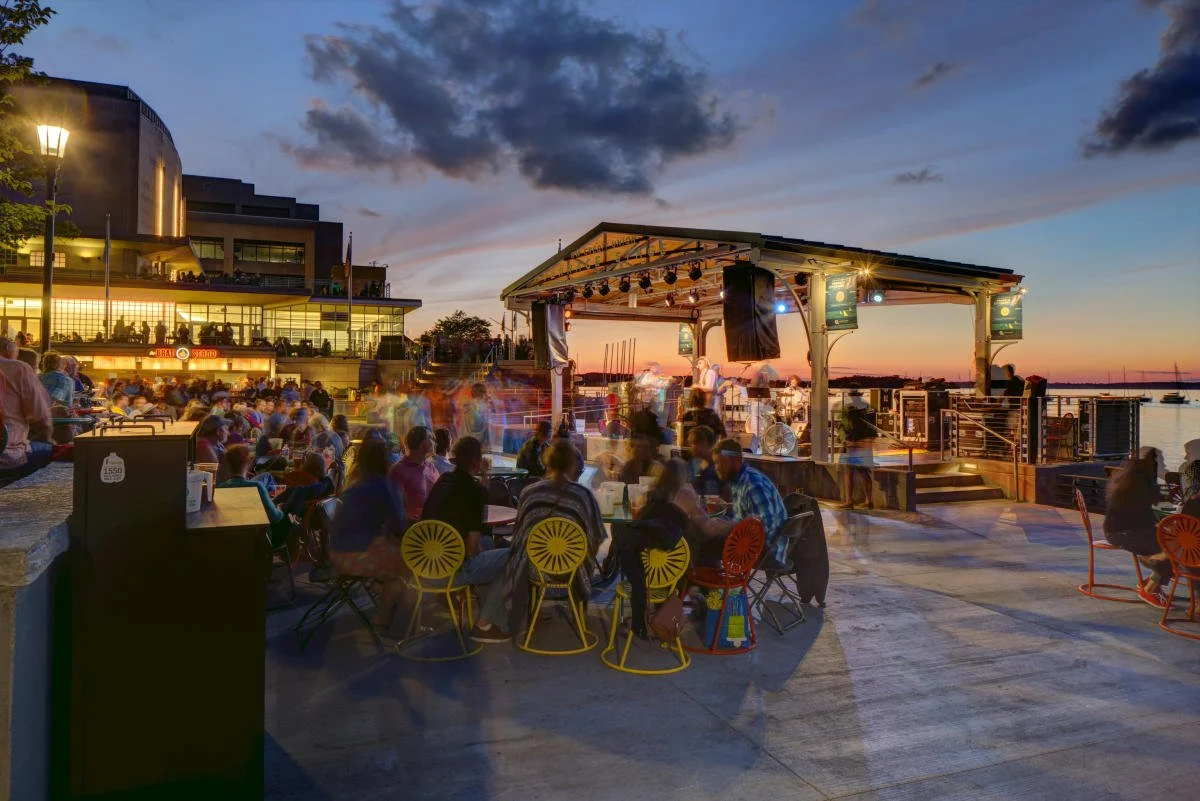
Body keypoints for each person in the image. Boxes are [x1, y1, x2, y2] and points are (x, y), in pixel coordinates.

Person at [470, 441, 606, 643]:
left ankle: (486, 621)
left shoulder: (529, 493)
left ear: (547, 463)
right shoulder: (584, 496)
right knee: (511, 556)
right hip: (572, 574)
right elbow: (597, 537)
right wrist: (576, 560)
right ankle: (491, 620)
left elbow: (521, 536)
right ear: (573, 466)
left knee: (512, 557)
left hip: (534, 572)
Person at [329, 437, 410, 627]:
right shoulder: (385, 487)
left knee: (394, 555)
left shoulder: (355, 484)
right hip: (356, 556)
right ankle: (383, 617)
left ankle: (379, 586)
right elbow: (400, 526)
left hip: (334, 553)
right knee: (408, 566)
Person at [423, 436, 510, 596]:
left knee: (488, 542)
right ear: (477, 461)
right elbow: (472, 550)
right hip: (453, 570)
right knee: (513, 554)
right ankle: (487, 615)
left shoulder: (444, 480)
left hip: (426, 562)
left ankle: (485, 610)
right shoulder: (475, 492)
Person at [1104, 447, 1173, 608]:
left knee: (1170, 542)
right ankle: (1150, 588)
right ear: (1154, 463)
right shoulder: (1140, 481)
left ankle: (1150, 579)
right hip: (1125, 533)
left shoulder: (1130, 477)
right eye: (1161, 461)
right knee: (1173, 546)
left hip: (1118, 530)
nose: (1163, 464)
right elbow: (1148, 509)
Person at [713, 438, 788, 563]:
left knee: (706, 541)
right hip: (755, 542)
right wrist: (726, 506)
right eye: (715, 463)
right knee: (712, 528)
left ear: (736, 461)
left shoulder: (752, 485)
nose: (717, 468)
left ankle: (712, 580)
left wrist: (729, 528)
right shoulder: (742, 479)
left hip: (766, 550)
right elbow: (750, 509)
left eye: (721, 463)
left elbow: (765, 525)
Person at [0, 337, 53, 482]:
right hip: (7, 456)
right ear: (6, 349)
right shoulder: (19, 368)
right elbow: (39, 414)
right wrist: (47, 434)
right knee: (52, 450)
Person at [219, 444, 290, 547]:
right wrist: (280, 508)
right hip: (258, 542)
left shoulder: (220, 488)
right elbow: (276, 517)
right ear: (248, 462)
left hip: (230, 542)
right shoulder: (257, 486)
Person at [387, 425, 439, 518]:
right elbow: (392, 505)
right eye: (430, 438)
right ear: (421, 443)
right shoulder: (399, 470)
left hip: (432, 523)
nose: (434, 442)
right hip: (411, 527)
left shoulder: (431, 467)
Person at [838, 388, 877, 509]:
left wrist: (845, 440)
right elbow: (872, 428)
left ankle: (849, 501)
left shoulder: (848, 409)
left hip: (853, 444)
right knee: (864, 472)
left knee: (848, 472)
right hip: (864, 444)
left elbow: (844, 426)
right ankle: (868, 501)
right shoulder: (868, 407)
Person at [687, 425, 723, 498]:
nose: (692, 447)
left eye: (695, 443)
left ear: (706, 443)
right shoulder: (694, 462)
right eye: (690, 443)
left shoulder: (719, 467)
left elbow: (727, 496)